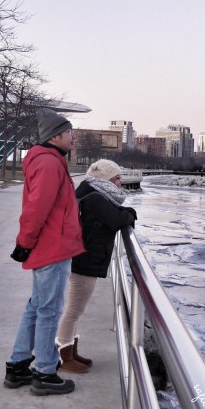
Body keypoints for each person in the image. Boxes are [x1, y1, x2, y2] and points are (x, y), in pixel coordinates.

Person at [4, 108, 85, 396]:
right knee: (48, 310)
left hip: (49, 246)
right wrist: (24, 243)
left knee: (36, 307)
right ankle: (45, 372)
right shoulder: (50, 164)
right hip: (52, 248)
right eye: (70, 132)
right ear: (57, 135)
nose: (73, 137)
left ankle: (18, 365)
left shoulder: (49, 161)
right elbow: (36, 209)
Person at [56, 159, 137, 372]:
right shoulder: (96, 199)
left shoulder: (89, 192)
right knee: (74, 309)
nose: (120, 182)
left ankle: (70, 351)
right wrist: (130, 214)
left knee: (76, 309)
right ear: (106, 179)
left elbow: (115, 215)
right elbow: (116, 219)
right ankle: (63, 356)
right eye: (117, 178)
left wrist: (125, 214)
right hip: (85, 259)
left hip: (83, 257)